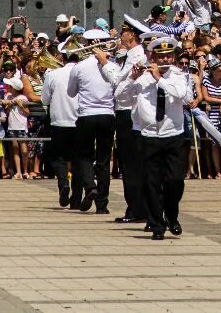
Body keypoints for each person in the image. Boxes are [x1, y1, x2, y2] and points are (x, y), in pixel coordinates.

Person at [130, 37, 191, 240]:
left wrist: (160, 79)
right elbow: (119, 96)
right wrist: (131, 78)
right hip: (149, 135)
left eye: (168, 55)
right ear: (153, 57)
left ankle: (171, 215)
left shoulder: (179, 75)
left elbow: (182, 95)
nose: (165, 58)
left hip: (173, 134)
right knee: (151, 182)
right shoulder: (142, 77)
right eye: (161, 55)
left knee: (175, 180)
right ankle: (157, 225)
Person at [98, 19, 148, 223]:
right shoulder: (131, 56)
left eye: (124, 31)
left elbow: (118, 84)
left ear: (132, 35)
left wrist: (104, 62)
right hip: (126, 112)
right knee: (128, 163)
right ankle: (135, 208)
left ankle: (136, 209)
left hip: (129, 113)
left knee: (131, 164)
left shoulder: (137, 56)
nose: (120, 34)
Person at [68, 27, 116, 213]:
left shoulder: (79, 67)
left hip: (86, 114)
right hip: (107, 115)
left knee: (84, 155)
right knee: (104, 159)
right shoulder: (114, 66)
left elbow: (71, 92)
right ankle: (102, 205)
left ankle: (90, 186)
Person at [43, 47, 80, 207]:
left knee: (58, 158)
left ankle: (64, 184)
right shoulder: (82, 73)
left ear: (62, 58)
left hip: (58, 122)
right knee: (79, 159)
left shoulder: (53, 74)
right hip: (79, 121)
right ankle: (77, 197)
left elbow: (45, 100)